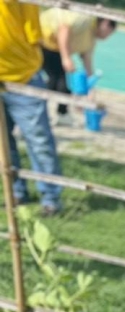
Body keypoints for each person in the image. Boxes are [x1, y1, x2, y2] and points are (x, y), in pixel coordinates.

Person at [0, 1, 62, 216]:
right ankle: (16, 192)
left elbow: (33, 33)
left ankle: (50, 198)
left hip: (22, 77)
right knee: (3, 143)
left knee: (39, 139)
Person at [39, 9, 117, 123]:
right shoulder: (85, 19)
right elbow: (63, 29)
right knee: (55, 80)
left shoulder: (90, 40)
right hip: (41, 39)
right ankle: (38, 111)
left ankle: (61, 113)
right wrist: (66, 58)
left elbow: (87, 64)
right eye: (109, 32)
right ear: (106, 23)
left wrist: (90, 91)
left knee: (64, 83)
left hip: (55, 49)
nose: (107, 37)